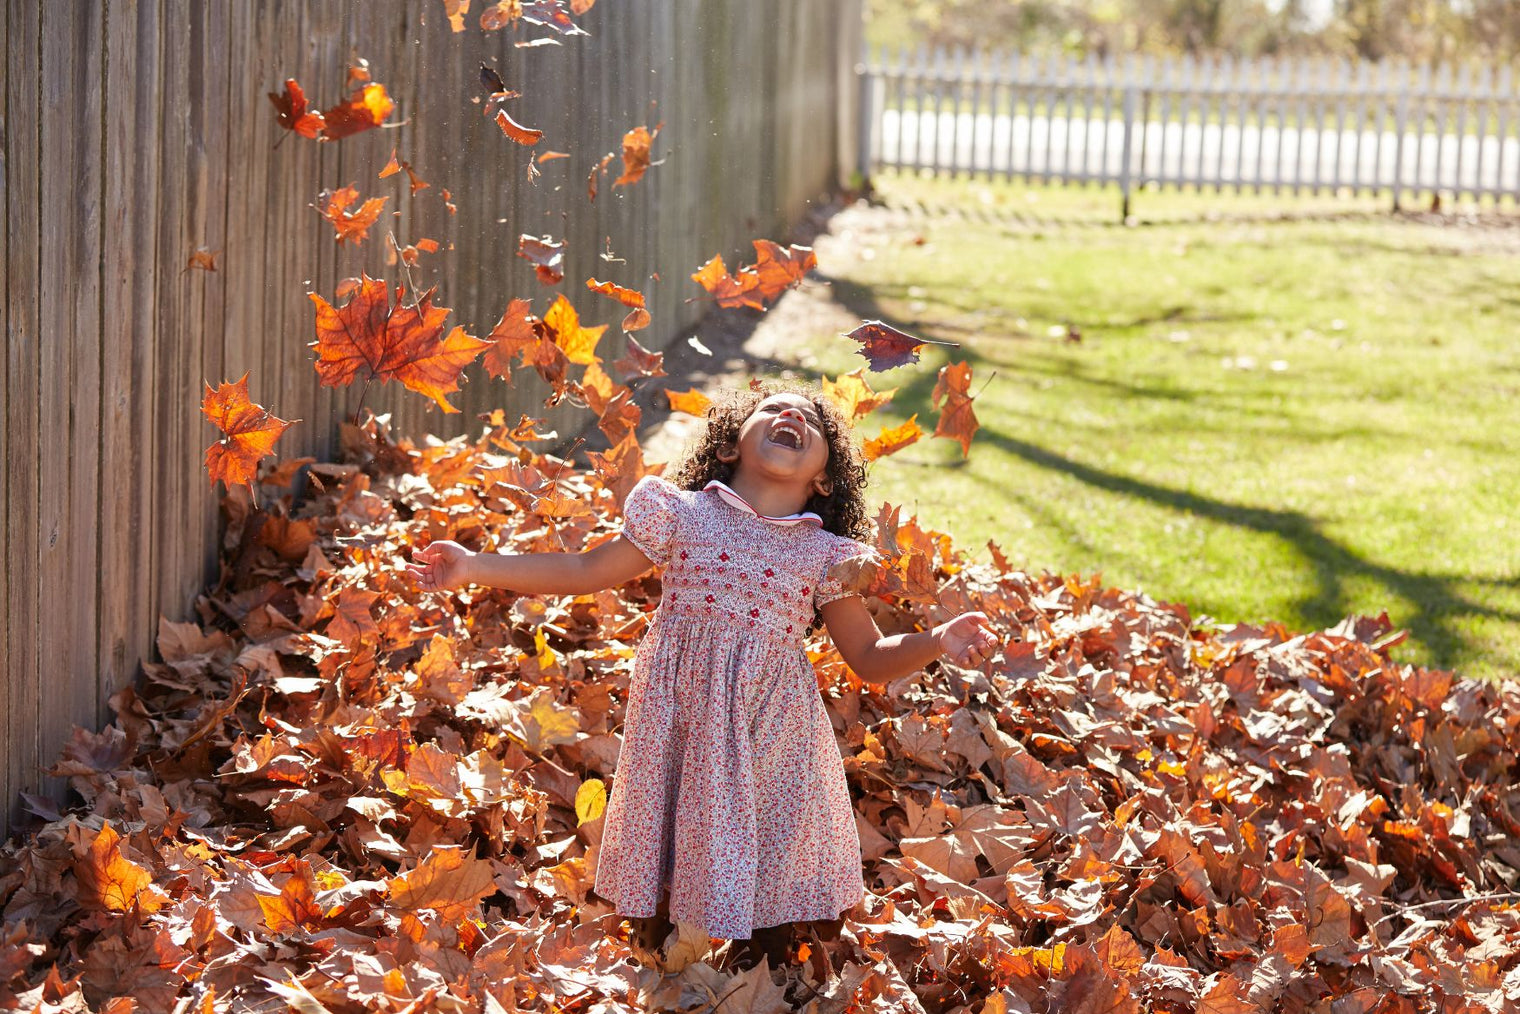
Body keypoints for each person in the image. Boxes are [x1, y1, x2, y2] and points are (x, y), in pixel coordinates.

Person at [405, 384, 998, 971]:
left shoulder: (824, 555)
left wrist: (938, 641)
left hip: (770, 731)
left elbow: (867, 653)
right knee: (667, 836)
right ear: (727, 448)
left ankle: (767, 979)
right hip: (681, 717)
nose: (790, 412)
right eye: (770, 408)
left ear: (824, 479)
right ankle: (658, 963)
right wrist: (474, 565)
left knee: (772, 856)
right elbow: (586, 569)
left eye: (812, 422)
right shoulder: (680, 515)